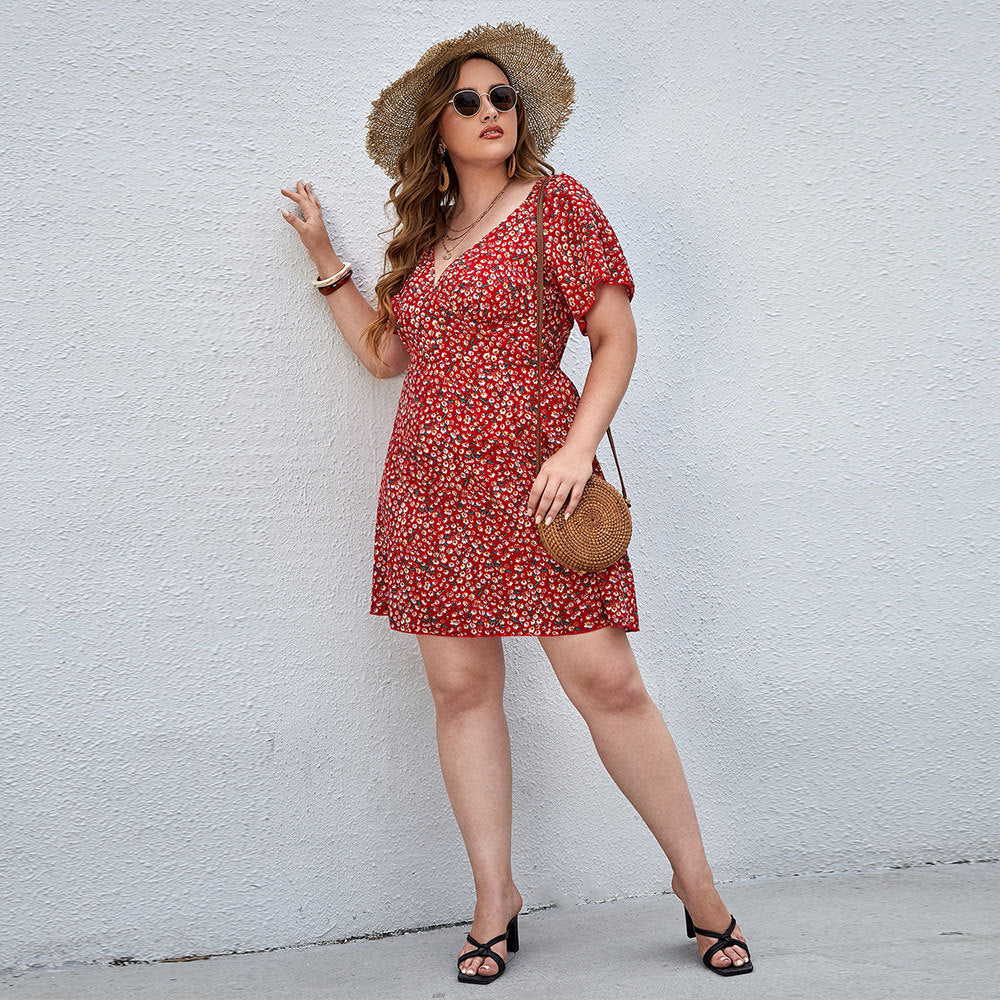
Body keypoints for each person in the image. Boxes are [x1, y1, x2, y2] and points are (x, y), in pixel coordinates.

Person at [280, 20, 754, 986]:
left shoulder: (557, 206)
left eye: (502, 98)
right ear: (437, 129)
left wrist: (577, 448)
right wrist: (329, 259)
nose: (490, 111)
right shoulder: (423, 239)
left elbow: (614, 339)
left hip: (541, 475)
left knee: (607, 683)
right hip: (431, 486)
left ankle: (699, 887)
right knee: (461, 692)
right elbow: (384, 359)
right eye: (468, 101)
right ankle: (496, 899)